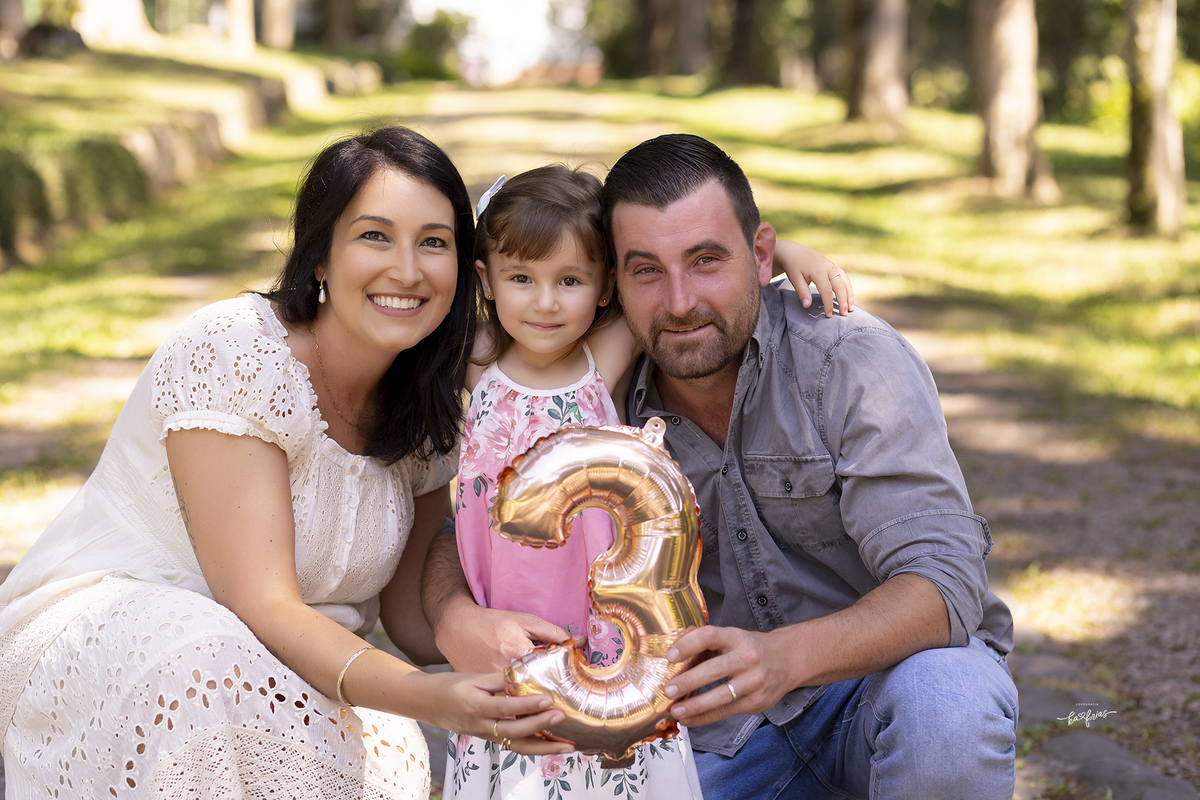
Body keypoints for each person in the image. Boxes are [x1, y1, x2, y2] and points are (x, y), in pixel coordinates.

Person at [0, 127, 572, 799]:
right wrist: (431, 697)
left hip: (282, 675)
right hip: (127, 647)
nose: (409, 269)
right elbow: (261, 605)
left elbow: (413, 616)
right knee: (200, 660)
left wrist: (514, 659)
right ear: (320, 258)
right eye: (375, 236)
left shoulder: (426, 410)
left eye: (435, 243)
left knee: (394, 748)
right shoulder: (236, 353)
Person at [603, 133, 1019, 799]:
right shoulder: (597, 397)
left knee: (951, 706)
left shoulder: (850, 358)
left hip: (877, 691)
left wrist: (784, 659)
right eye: (646, 270)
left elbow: (943, 584)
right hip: (720, 733)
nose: (679, 302)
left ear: (761, 254)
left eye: (707, 260)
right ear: (611, 281)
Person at [443, 165, 851, 800]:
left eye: (569, 281)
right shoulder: (476, 362)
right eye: (521, 279)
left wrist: (787, 252)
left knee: (604, 747)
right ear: (486, 281)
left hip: (598, 617)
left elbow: (694, 285)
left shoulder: (599, 355)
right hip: (510, 613)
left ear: (605, 286)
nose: (546, 302)